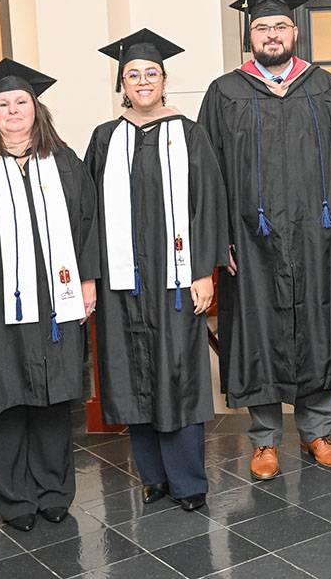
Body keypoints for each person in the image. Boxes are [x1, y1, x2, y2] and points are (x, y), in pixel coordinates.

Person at [199, 0, 331, 480]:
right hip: (250, 236)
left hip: (317, 231)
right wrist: (219, 234)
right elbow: (208, 171)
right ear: (251, 36)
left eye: (280, 26)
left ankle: (318, 433)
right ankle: (265, 441)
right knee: (257, 328)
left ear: (295, 31)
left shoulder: (324, 85)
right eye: (262, 28)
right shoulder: (226, 91)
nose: (272, 34)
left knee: (317, 321)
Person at [0, 59, 99, 532]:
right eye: (2, 104)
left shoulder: (63, 161)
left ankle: (53, 492)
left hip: (55, 301)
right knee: (2, 400)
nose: (12, 110)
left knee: (52, 400)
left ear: (36, 108)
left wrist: (87, 281)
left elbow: (87, 222)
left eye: (21, 102)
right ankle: (14, 500)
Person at [87, 29, 228, 510]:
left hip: (175, 277)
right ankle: (153, 477)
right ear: (122, 83)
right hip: (121, 282)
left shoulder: (189, 132)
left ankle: (188, 482)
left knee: (179, 375)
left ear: (164, 79)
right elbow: (88, 214)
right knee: (128, 374)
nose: (142, 81)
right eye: (133, 74)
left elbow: (208, 203)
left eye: (151, 73)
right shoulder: (106, 137)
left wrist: (204, 271)